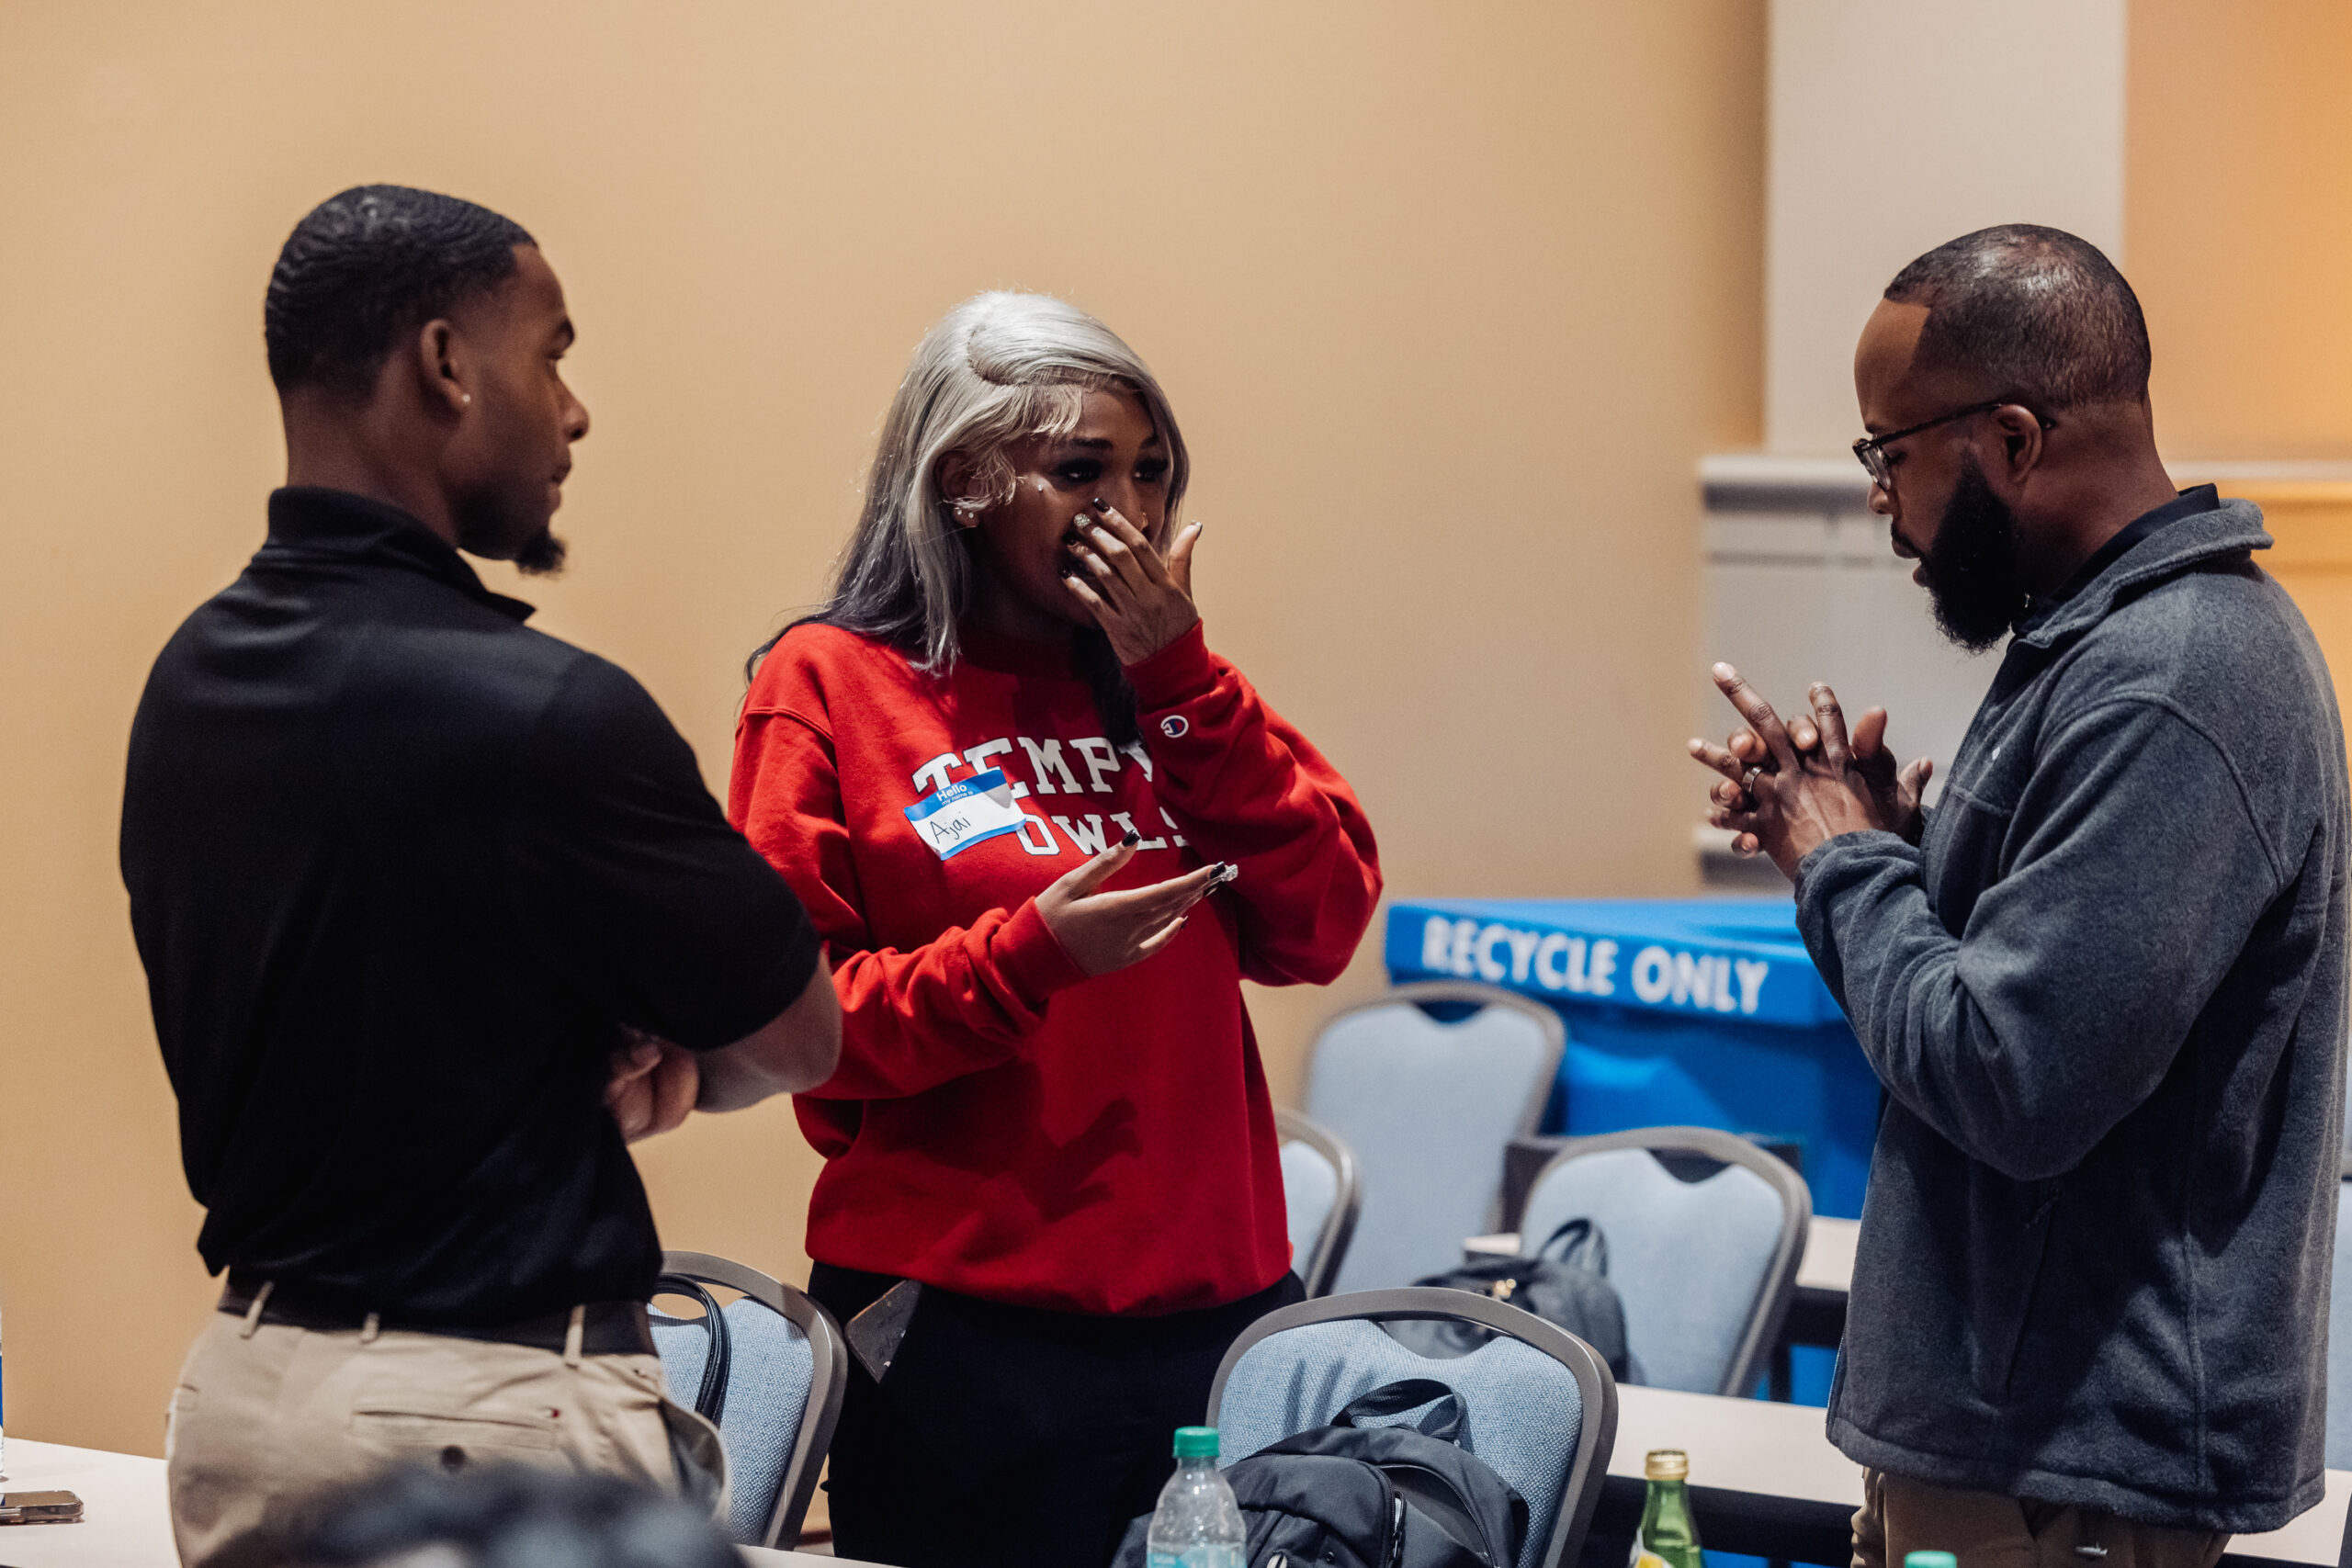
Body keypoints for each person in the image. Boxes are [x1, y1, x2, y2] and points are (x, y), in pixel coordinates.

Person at [120, 185, 842, 1565]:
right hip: (482, 1421)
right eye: (551, 356)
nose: (574, 412)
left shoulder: (191, 684)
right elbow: (802, 1037)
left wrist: (531, 1063)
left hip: (245, 1393)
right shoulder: (544, 713)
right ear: (447, 364)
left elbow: (369, 998)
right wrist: (670, 1057)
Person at [1691, 224, 2347, 1568]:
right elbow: (2066, 960)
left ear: (2011, 439)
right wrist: (1905, 842)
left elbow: (2014, 1075)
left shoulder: (2177, 675)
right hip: (2011, 1455)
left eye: (1888, 454)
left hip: (2072, 1474)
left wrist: (1845, 863)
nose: (1879, 502)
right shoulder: (2103, 642)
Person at [729, 290, 1382, 1567]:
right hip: (966, 1330)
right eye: (1081, 472)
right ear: (965, 482)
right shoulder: (832, 685)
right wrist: (1024, 963)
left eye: (1151, 472)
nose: (1128, 513)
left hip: (1216, 1318)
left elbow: (1320, 923)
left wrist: (1182, 683)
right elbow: (789, 1027)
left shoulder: (1172, 688)